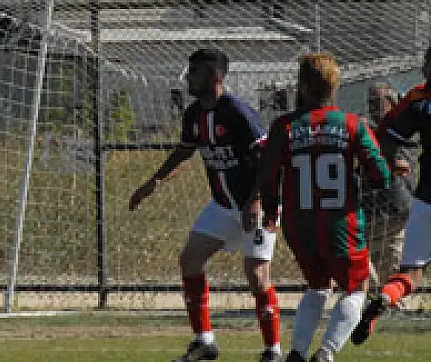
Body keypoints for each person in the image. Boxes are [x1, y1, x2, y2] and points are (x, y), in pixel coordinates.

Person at [129, 48, 280, 362]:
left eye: (194, 71)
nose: (188, 77)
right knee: (190, 259)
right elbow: (185, 150)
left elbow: (269, 160)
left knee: (256, 275)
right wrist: (153, 182)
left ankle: (273, 351)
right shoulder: (194, 114)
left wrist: (256, 200)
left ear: (214, 76)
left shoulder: (238, 112)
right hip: (223, 206)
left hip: (258, 206)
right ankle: (205, 342)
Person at [256, 53, 390, 362]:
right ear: (335, 86)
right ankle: (325, 354)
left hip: (297, 222)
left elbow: (266, 175)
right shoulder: (352, 124)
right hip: (340, 223)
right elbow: (380, 175)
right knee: (355, 289)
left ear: (302, 87)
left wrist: (271, 211)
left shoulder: (284, 127)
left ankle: (297, 353)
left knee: (317, 285)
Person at [352, 46, 431, 345]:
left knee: (411, 272)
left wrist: (380, 165)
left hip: (426, 199)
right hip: (408, 202)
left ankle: (385, 296)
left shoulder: (418, 98)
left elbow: (384, 137)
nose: (423, 69)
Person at [360, 83, 413, 295]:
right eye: (370, 102)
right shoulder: (365, 130)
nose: (373, 108)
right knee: (368, 282)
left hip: (393, 214)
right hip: (367, 215)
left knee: (390, 277)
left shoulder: (398, 129)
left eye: (377, 102)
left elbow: (402, 166)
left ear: (392, 104)